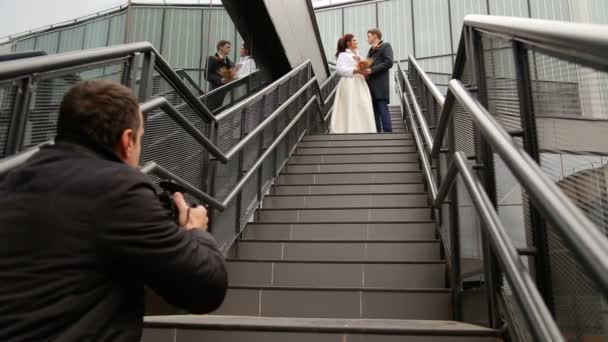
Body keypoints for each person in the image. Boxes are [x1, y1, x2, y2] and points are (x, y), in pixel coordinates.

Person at [0, 80, 228, 342]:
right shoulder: (119, 189)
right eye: (140, 139)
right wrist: (194, 231)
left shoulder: (11, 181)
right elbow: (206, 289)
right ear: (128, 140)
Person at [330, 34, 376, 134]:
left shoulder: (359, 56)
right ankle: (349, 129)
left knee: (362, 105)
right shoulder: (343, 55)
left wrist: (364, 70)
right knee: (349, 105)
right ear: (348, 43)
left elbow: (363, 69)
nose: (356, 42)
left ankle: (364, 130)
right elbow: (339, 70)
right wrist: (355, 71)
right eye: (354, 40)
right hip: (348, 83)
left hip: (360, 83)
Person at [366, 28, 394, 133]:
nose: (367, 39)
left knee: (383, 109)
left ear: (375, 36)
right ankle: (377, 134)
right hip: (370, 86)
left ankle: (388, 134)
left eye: (368, 36)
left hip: (380, 85)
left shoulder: (386, 46)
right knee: (374, 112)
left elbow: (389, 62)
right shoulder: (370, 51)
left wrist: (371, 70)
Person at [205, 40, 235, 112]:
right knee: (213, 113)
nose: (230, 49)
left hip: (227, 95)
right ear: (220, 47)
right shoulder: (211, 59)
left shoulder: (231, 63)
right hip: (215, 92)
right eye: (228, 47)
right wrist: (221, 79)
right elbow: (207, 75)